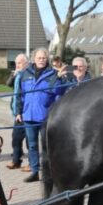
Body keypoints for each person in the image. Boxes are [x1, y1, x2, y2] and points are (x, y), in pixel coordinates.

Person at [16, 47, 66, 182]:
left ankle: (48, 172)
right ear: (34, 59)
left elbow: (58, 93)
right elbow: (20, 95)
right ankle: (34, 171)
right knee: (32, 145)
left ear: (47, 59)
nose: (42, 60)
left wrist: (60, 80)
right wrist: (18, 112)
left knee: (47, 146)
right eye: (39, 58)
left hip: (45, 116)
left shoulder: (53, 73)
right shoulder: (25, 73)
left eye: (44, 58)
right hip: (28, 115)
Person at [6, 53, 28, 170]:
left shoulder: (28, 75)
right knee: (16, 138)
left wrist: (21, 111)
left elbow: (22, 95)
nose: (17, 65)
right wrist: (13, 73)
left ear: (26, 63)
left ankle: (31, 163)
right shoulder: (18, 74)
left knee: (30, 140)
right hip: (17, 113)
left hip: (25, 112)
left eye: (19, 63)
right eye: (16, 63)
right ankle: (16, 160)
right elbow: (8, 84)